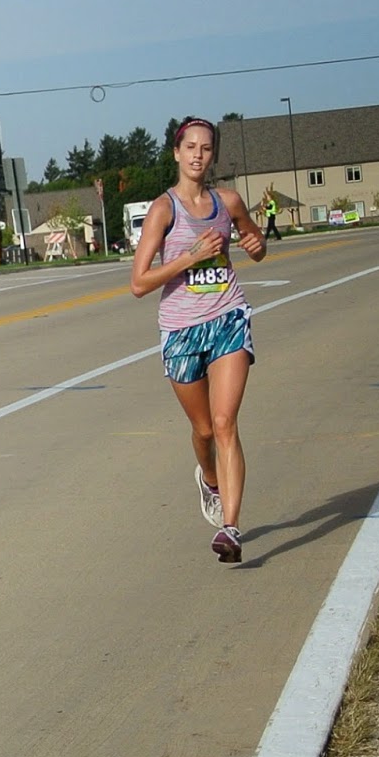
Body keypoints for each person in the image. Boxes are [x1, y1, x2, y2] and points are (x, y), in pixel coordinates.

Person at [130, 117, 267, 563]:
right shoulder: (163, 210)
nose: (198, 155)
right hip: (181, 329)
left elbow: (254, 240)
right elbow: (139, 283)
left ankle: (231, 528)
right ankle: (209, 478)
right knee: (204, 429)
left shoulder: (228, 201)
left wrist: (255, 245)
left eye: (206, 148)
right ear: (176, 153)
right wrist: (190, 257)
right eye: (190, 147)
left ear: (213, 156)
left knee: (225, 423)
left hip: (228, 317)